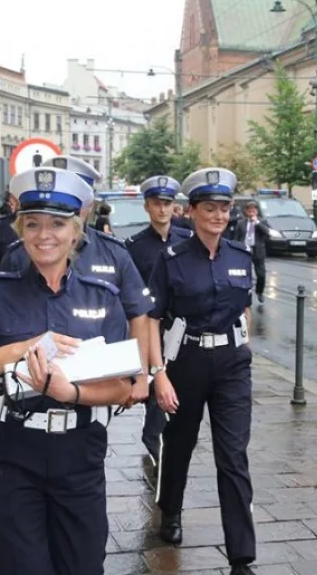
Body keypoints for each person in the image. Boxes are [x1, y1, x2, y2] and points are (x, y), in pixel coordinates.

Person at [0, 167, 134, 575]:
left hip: (79, 452)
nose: (45, 235)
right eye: (33, 224)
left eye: (57, 224)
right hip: (10, 454)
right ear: (20, 229)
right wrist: (17, 349)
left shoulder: (103, 298)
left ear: (76, 231)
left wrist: (72, 394)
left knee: (83, 567)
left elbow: (123, 388)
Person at [148, 168, 256, 575]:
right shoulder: (171, 260)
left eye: (224, 208)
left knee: (233, 455)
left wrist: (243, 349)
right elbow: (153, 319)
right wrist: (158, 374)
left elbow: (244, 309)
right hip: (186, 362)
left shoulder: (240, 258)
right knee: (179, 443)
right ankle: (171, 510)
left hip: (231, 365)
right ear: (190, 212)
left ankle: (241, 555)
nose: (218, 215)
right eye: (209, 207)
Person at [0, 156, 153, 408]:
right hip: (29, 383)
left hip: (94, 385)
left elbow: (138, 314)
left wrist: (140, 375)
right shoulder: (19, 254)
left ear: (88, 205)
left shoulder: (114, 252)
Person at [124, 175, 192, 465]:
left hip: (180, 325)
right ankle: (154, 439)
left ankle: (163, 435)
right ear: (147, 207)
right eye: (156, 204)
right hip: (149, 324)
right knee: (153, 381)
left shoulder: (187, 240)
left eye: (167, 204)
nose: (162, 210)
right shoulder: (134, 246)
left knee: (175, 383)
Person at [232, 200, 269, 304]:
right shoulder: (241, 223)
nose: (251, 213)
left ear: (256, 211)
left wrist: (257, 222)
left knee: (261, 274)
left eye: (253, 211)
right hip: (245, 251)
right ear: (246, 212)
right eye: (249, 211)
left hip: (258, 251)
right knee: (244, 274)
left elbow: (267, 233)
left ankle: (259, 292)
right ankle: (245, 293)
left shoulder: (262, 222)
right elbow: (236, 238)